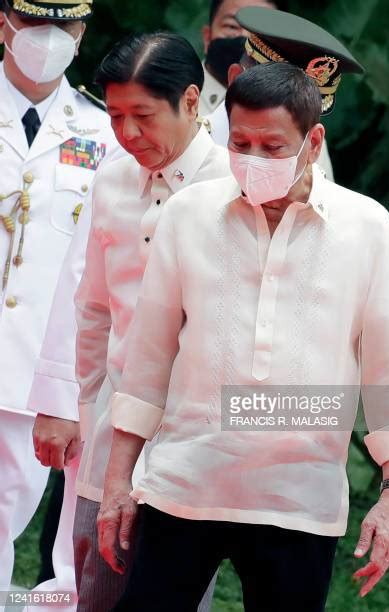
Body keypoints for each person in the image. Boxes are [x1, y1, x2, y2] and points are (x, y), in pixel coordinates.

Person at [99, 61, 389, 611]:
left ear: (313, 139)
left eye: (273, 147)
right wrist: (116, 485)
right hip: (183, 487)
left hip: (300, 499)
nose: (254, 160)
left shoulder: (368, 229)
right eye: (240, 143)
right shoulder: (187, 215)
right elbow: (148, 360)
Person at [30, 31, 231, 611]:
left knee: (173, 594)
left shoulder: (233, 185)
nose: (127, 133)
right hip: (110, 429)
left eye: (143, 116)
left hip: (195, 437)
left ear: (191, 102)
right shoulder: (112, 179)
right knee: (93, 585)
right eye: (115, 115)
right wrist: (81, 404)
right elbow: (91, 305)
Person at [0, 0, 119, 595]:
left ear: (82, 32)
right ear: (4, 24)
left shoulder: (105, 132)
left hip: (38, 378)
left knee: (22, 521)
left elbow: (96, 271)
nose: (47, 39)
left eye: (63, 25)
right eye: (33, 23)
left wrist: (68, 390)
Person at [207, 6, 364, 182]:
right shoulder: (188, 148)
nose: (291, 118)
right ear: (235, 79)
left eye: (305, 108)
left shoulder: (311, 146)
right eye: (272, 98)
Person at [199, 0, 281, 117]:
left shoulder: (287, 111)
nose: (245, 35)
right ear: (207, 37)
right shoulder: (174, 96)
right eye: (232, 26)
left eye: (260, 29)